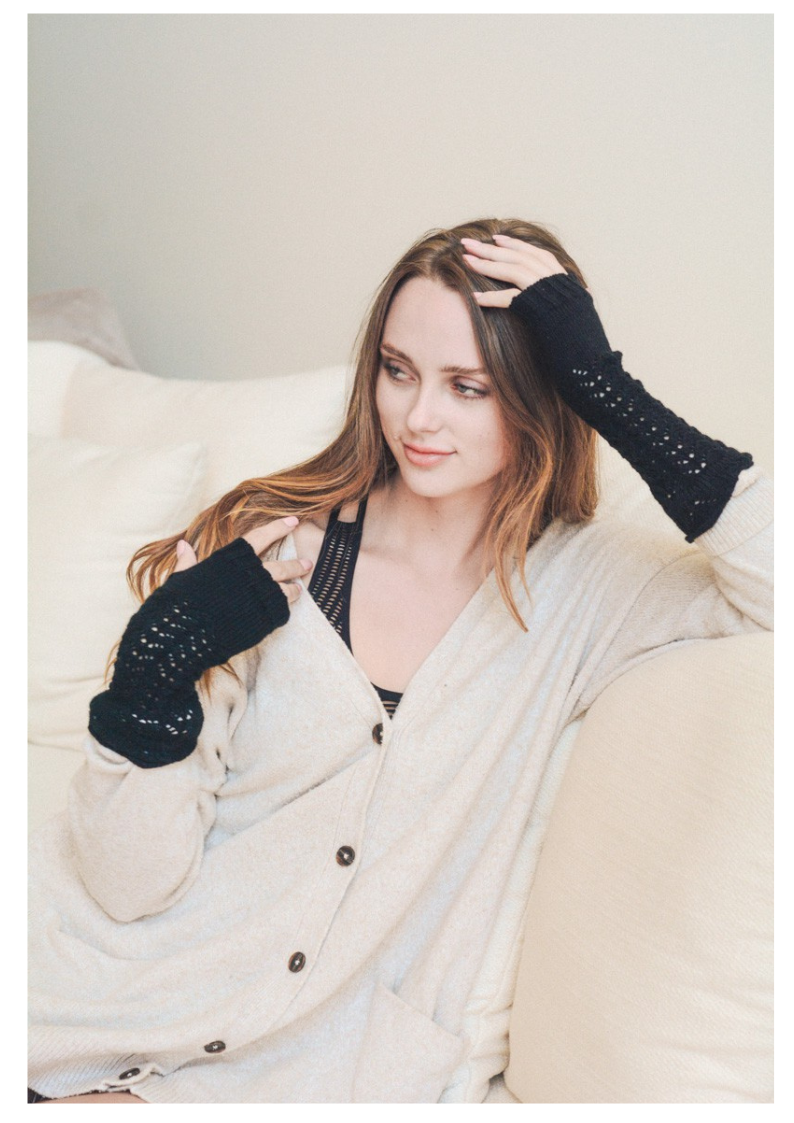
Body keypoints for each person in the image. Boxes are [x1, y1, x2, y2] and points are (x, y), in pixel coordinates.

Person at [28, 219, 773, 1104]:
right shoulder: (269, 549)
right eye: (398, 370)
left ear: (541, 396)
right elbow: (127, 885)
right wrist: (151, 674)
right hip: (103, 992)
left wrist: (605, 388)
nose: (419, 417)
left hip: (318, 1064)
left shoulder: (586, 590)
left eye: (468, 387)